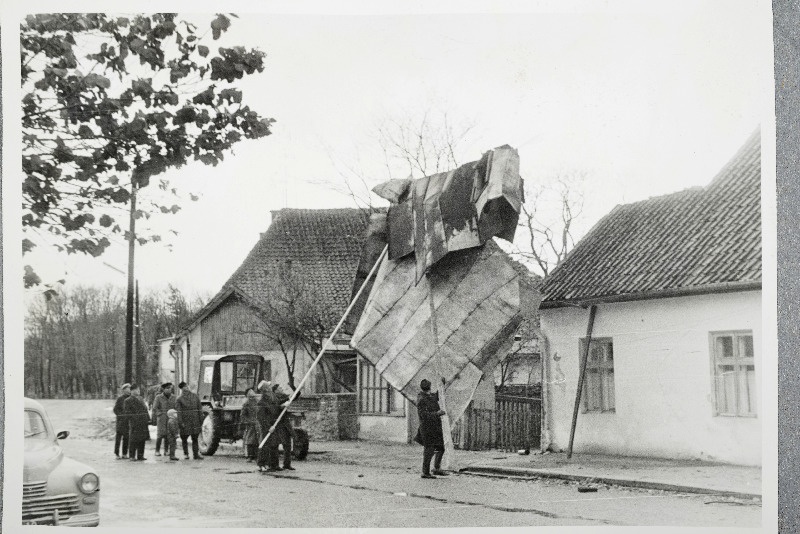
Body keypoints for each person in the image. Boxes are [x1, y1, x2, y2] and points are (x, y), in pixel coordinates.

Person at [416, 378, 448, 479]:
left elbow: (438, 395)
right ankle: (425, 472)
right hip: (427, 428)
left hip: (435, 427)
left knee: (440, 448)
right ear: (428, 387)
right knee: (429, 450)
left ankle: (436, 468)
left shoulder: (429, 396)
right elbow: (424, 415)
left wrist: (442, 385)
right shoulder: (421, 399)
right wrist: (437, 413)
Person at [255, 380, 281, 473]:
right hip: (266, 427)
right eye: (269, 386)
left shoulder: (270, 399)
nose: (270, 388)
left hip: (272, 425)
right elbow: (260, 417)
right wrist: (268, 427)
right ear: (266, 389)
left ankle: (272, 464)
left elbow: (277, 404)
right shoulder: (262, 402)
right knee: (264, 445)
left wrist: (285, 402)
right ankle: (261, 464)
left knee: (273, 444)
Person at [176, 382, 204, 460]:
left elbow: (199, 408)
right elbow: (179, 412)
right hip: (185, 421)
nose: (186, 388)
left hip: (195, 421)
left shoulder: (195, 396)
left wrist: (201, 420)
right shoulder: (179, 399)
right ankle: (186, 454)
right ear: (181, 389)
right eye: (184, 387)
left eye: (186, 386)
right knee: (184, 438)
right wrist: (180, 422)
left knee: (195, 438)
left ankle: (196, 454)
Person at [272, 384, 296, 471]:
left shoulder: (284, 396)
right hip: (278, 424)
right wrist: (283, 404)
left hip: (286, 423)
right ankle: (275, 465)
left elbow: (294, 396)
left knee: (288, 445)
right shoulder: (273, 397)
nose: (281, 389)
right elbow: (275, 406)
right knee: (277, 444)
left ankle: (287, 464)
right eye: (279, 388)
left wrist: (294, 388)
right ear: (275, 391)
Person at [125, 384, 150, 461]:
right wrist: (135, 419)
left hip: (143, 422)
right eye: (137, 390)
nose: (138, 391)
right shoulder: (128, 400)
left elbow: (145, 409)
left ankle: (140, 455)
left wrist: (148, 419)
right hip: (135, 423)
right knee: (133, 440)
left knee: (142, 439)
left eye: (139, 390)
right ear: (132, 391)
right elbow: (127, 413)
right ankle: (132, 456)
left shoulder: (141, 398)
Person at [151, 383, 177, 457]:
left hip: (170, 418)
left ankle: (166, 450)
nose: (169, 389)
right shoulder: (158, 397)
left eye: (170, 388)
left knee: (168, 435)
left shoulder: (173, 397)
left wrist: (174, 414)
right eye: (167, 388)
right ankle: (157, 450)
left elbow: (176, 406)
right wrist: (160, 414)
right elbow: (155, 408)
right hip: (162, 419)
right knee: (160, 435)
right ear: (164, 389)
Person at [239, 387, 259, 461]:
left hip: (257, 423)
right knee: (250, 440)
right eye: (250, 391)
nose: (252, 392)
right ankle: (250, 456)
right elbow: (242, 415)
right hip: (251, 424)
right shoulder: (246, 403)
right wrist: (248, 421)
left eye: (252, 391)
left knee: (257, 440)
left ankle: (256, 455)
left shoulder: (257, 401)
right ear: (247, 394)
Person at [113, 383, 131, 459]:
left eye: (130, 388)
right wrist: (121, 416)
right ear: (124, 390)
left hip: (128, 422)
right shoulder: (120, 399)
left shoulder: (131, 398)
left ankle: (124, 453)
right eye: (128, 388)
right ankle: (117, 453)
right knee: (118, 438)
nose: (129, 389)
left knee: (126, 438)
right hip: (121, 422)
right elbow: (115, 409)